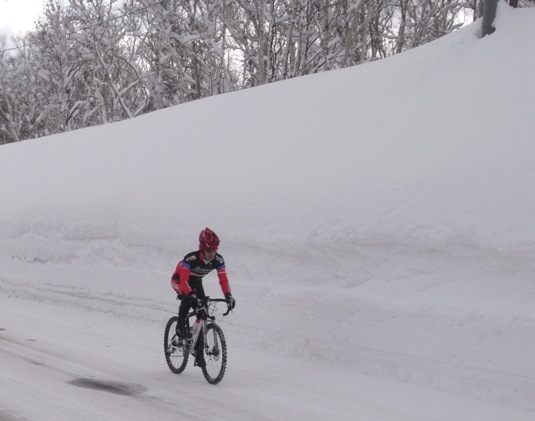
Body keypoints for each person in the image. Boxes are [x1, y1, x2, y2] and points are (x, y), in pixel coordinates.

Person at [171, 227, 236, 340]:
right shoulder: (190, 259)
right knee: (188, 298)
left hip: (196, 281)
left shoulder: (218, 260)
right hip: (180, 280)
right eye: (209, 251)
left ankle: (194, 334)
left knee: (203, 308)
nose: (212, 254)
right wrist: (191, 295)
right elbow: (184, 281)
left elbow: (223, 280)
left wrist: (228, 296)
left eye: (214, 250)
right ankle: (180, 324)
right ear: (202, 248)